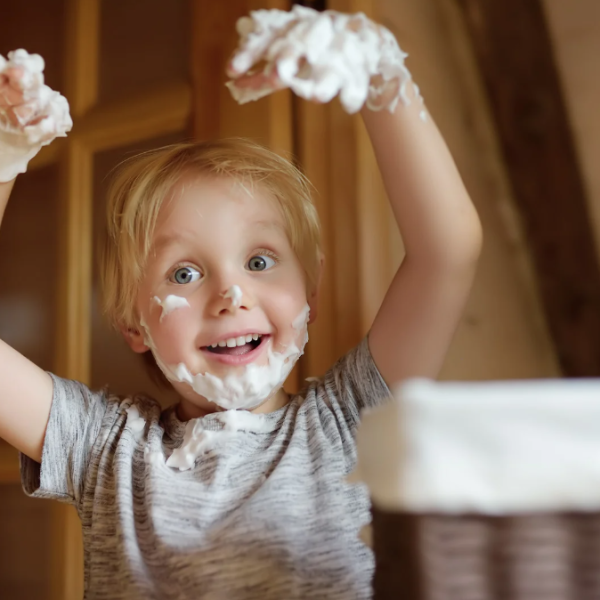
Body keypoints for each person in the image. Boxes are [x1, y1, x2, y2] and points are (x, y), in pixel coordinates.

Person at [0, 7, 482, 600]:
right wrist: (5, 156)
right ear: (134, 322)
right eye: (185, 272)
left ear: (311, 291)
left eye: (259, 261)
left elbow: (447, 252)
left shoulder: (349, 419)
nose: (231, 295)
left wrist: (379, 76)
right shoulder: (106, 449)